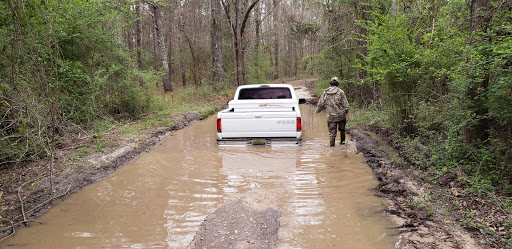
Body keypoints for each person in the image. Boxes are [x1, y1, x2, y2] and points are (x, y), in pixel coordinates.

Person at [314, 77, 350, 147]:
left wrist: (317, 111)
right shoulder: (341, 92)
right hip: (341, 116)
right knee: (342, 130)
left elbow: (321, 103)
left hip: (330, 116)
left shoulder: (326, 92)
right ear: (337, 83)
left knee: (332, 133)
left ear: (330, 83)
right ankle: (342, 145)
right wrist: (347, 115)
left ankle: (332, 147)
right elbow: (346, 105)